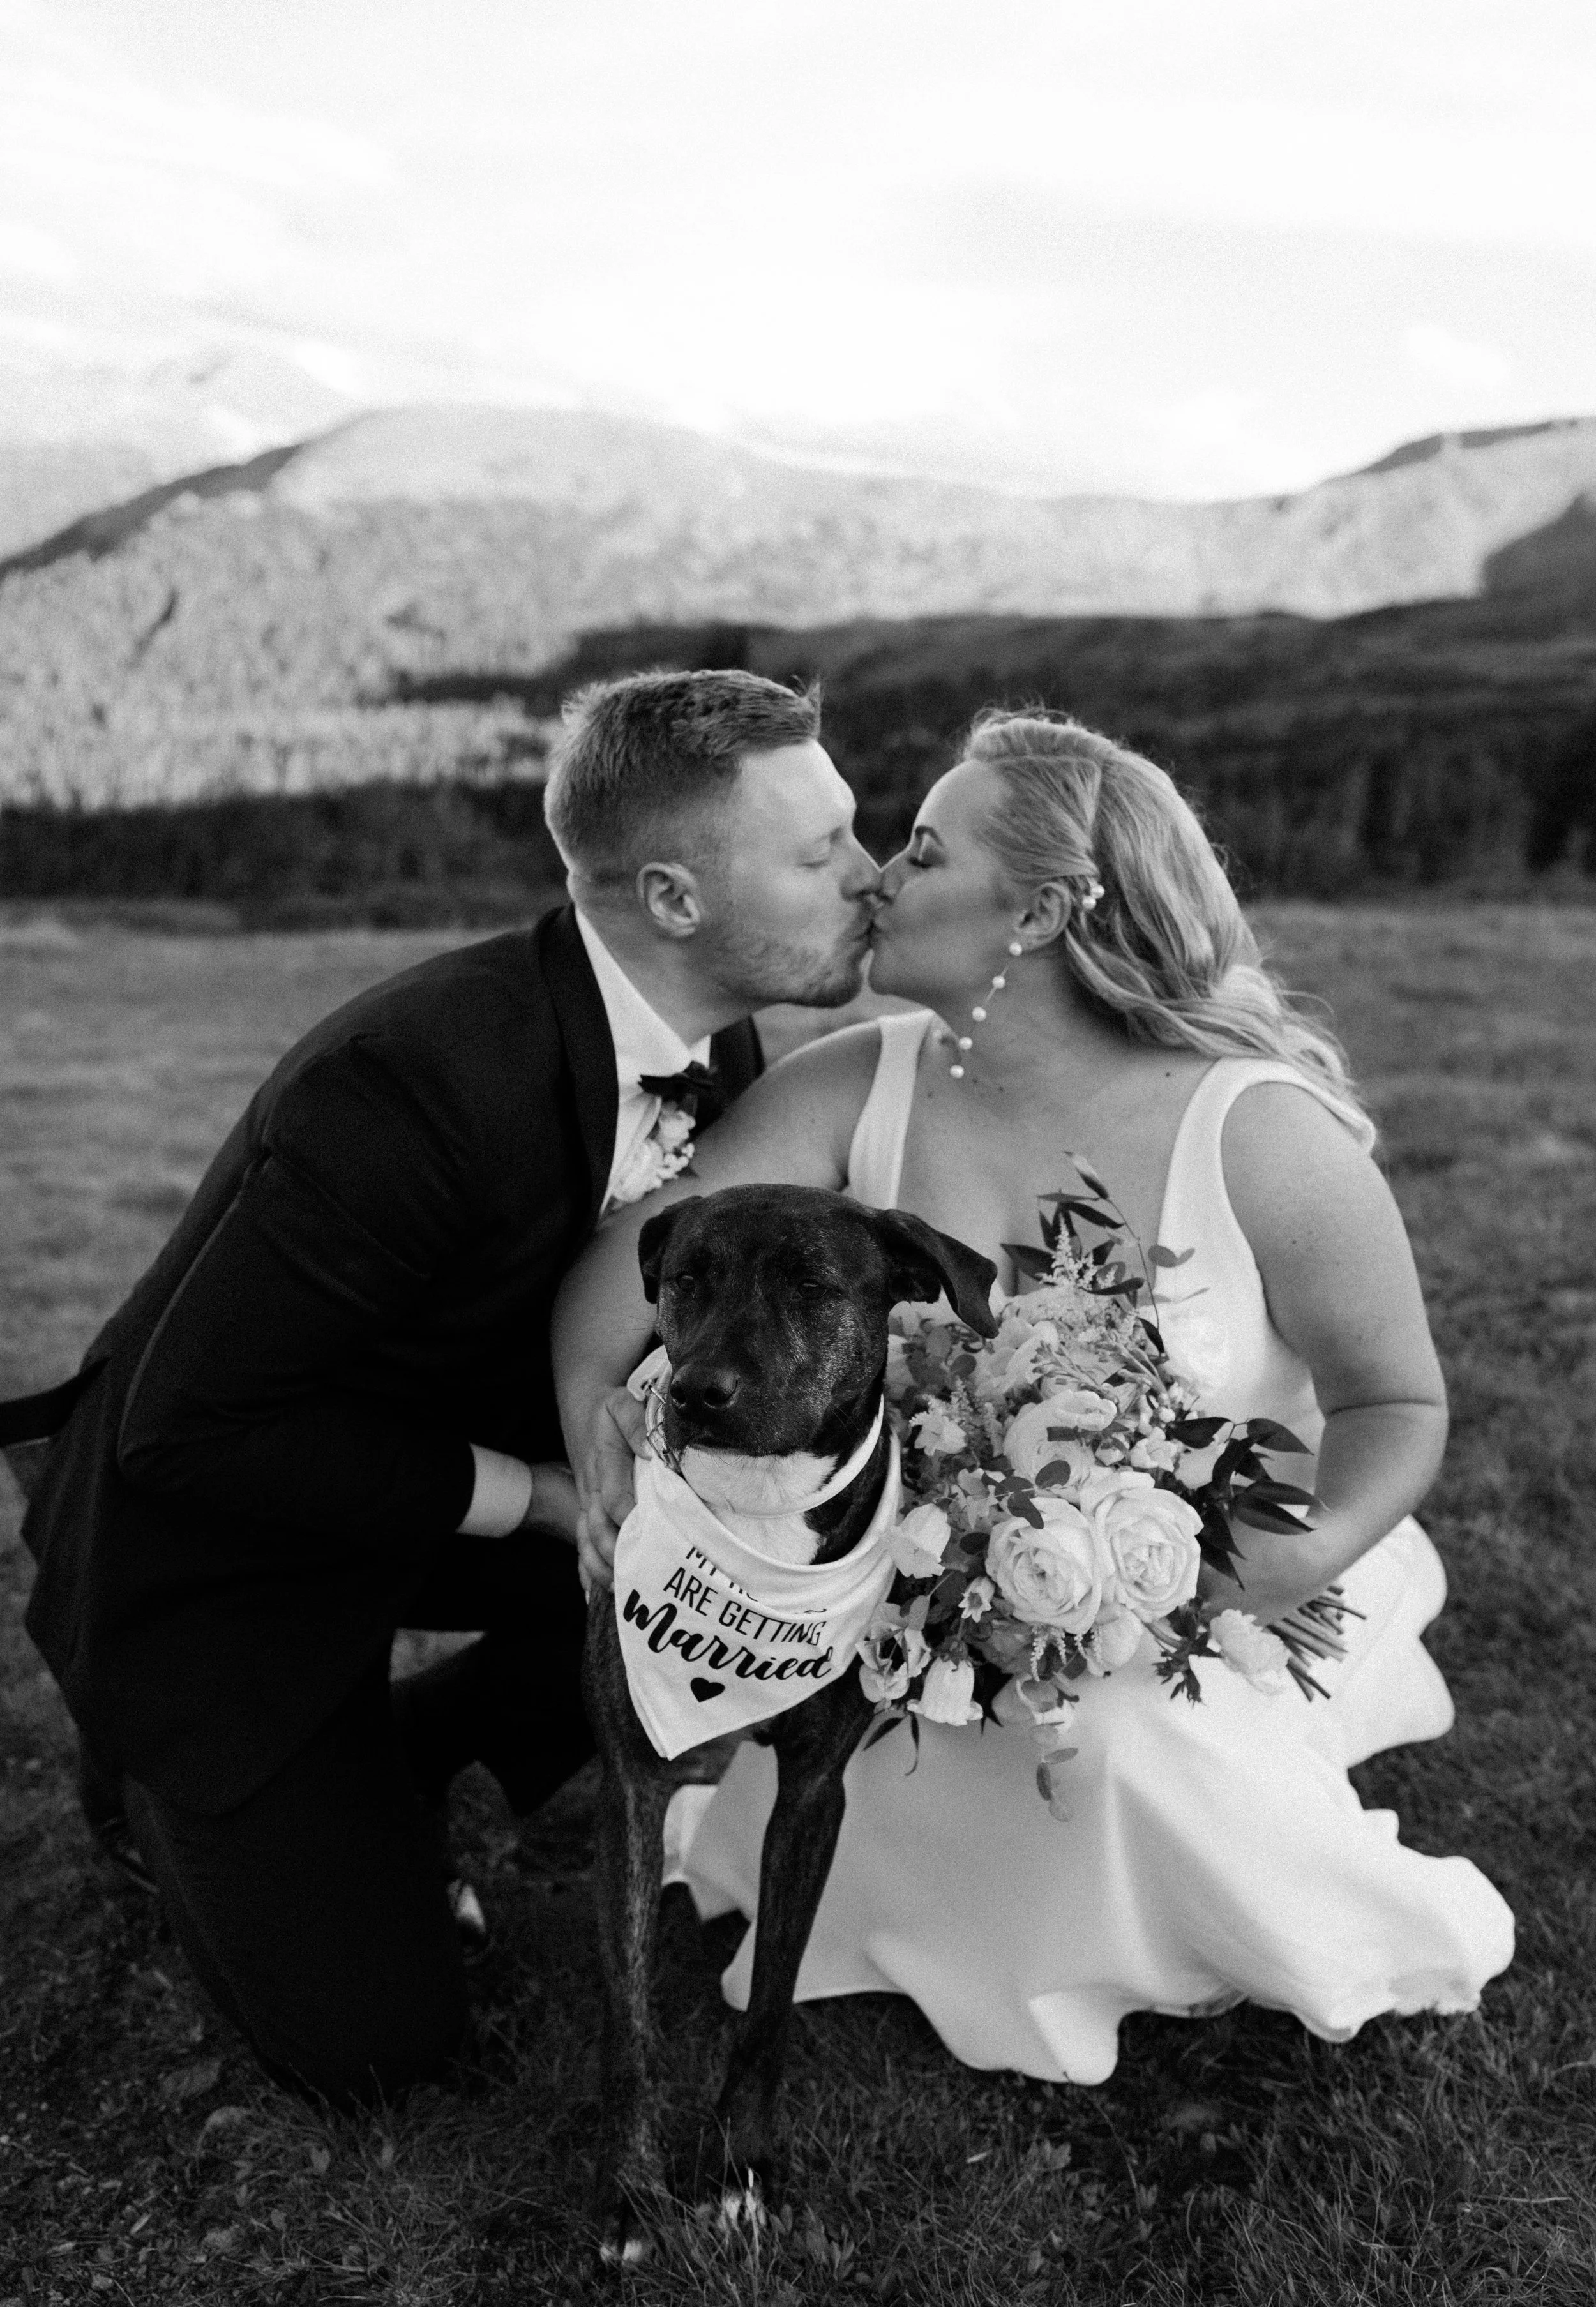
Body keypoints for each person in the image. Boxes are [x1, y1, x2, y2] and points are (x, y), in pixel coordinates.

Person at [555, 708, 1514, 2084]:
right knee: (874, 1739)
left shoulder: (1257, 1131)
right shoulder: (847, 1081)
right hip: (918, 1581)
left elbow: (1396, 1405)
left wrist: (1265, 1561)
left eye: (923, 851)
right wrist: (596, 1409)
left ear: (1038, 911)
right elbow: (624, 1279)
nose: (878, 873)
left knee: (1124, 1751)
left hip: (1201, 1582)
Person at [10, 667, 880, 2105]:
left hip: (413, 1480)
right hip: (220, 1547)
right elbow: (192, 1428)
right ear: (669, 898)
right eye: (818, 851)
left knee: (705, 1567)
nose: (868, 876)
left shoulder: (715, 1034)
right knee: (379, 2049)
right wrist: (547, 1497)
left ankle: (390, 1755)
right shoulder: (411, 1079)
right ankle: (154, 1780)